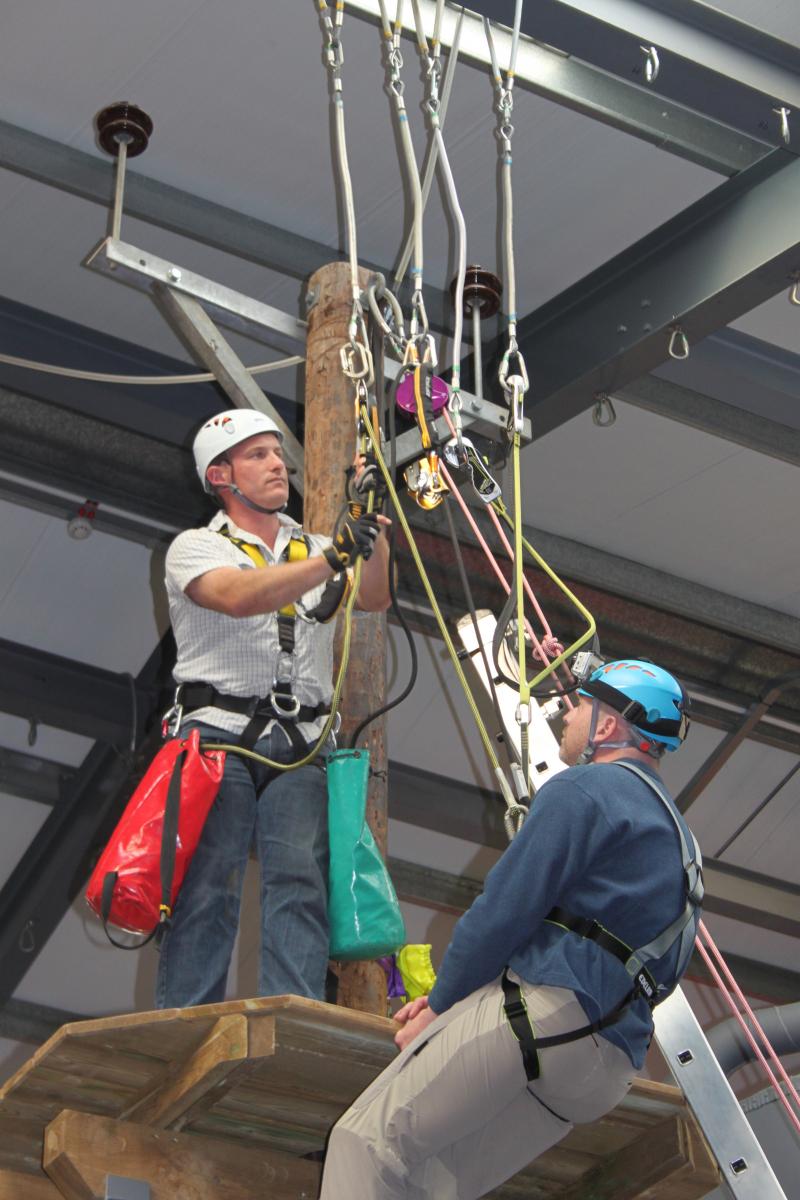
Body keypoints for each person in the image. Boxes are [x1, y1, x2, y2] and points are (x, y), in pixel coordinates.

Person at [320, 660, 702, 1200]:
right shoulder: (681, 841)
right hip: (606, 1066)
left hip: (545, 1023)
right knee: (430, 1184)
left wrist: (441, 1002)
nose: (566, 713)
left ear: (610, 727)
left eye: (581, 703)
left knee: (366, 1142)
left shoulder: (586, 789)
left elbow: (504, 908)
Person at [155, 407, 391, 1009]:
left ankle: (289, 1021)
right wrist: (333, 555)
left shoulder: (314, 547)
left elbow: (374, 594)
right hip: (218, 735)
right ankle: (186, 1022)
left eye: (276, 453)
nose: (276, 464)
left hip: (300, 740)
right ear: (220, 475)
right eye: (256, 455)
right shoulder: (195, 548)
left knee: (300, 887)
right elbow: (238, 596)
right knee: (208, 888)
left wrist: (371, 520)